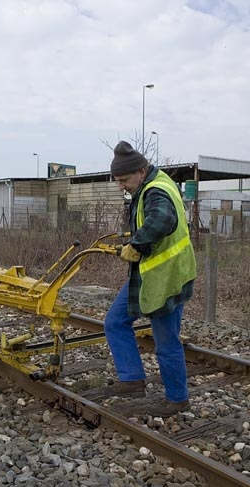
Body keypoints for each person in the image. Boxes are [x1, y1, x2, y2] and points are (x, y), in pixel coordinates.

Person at [103, 141, 197, 417]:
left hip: (167, 277)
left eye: (124, 180)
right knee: (115, 321)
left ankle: (178, 399)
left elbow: (162, 220)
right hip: (151, 274)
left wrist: (138, 244)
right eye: (117, 181)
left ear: (141, 171)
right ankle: (132, 379)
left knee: (166, 342)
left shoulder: (155, 191)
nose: (121, 186)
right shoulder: (153, 184)